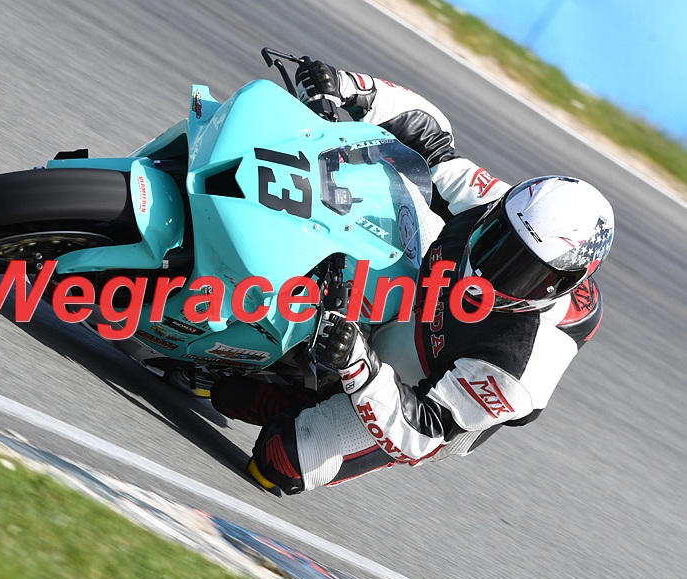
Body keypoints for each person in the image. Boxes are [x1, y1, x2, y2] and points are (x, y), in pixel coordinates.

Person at [210, 59, 615, 495]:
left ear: (561, 285)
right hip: (417, 291)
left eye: (523, 273)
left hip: (424, 384)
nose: (491, 270)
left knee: (281, 459)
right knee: (347, 195)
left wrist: (356, 364)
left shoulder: (517, 369)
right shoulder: (495, 204)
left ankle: (305, 394)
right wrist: (347, 86)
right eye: (499, 240)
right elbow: (432, 138)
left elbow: (423, 432)